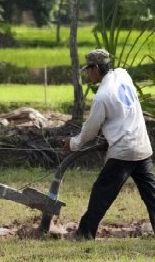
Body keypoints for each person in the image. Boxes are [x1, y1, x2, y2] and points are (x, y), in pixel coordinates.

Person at [62, 48, 155, 240]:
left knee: (101, 192)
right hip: (142, 147)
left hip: (123, 151)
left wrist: (73, 144)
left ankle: (84, 233)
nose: (88, 74)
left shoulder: (102, 95)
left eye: (89, 69)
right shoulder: (123, 75)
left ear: (96, 68)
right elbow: (121, 114)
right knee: (151, 195)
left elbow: (90, 129)